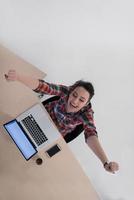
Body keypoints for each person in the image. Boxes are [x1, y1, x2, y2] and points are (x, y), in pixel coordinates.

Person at [5, 69, 119, 174]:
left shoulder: (86, 113)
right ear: (71, 91)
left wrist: (105, 162)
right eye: (74, 95)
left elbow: (91, 134)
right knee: (9, 133)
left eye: (81, 100)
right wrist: (18, 77)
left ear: (86, 104)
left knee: (21, 158)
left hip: (51, 134)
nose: (75, 101)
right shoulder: (66, 91)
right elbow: (43, 86)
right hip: (38, 116)